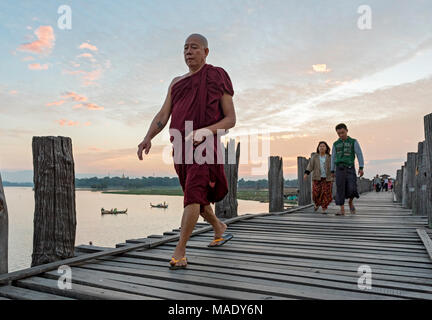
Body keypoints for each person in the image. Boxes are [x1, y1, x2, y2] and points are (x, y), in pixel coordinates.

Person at [137, 34, 236, 270]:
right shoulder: (176, 82)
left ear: (206, 51)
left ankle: (180, 251)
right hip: (180, 145)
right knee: (196, 197)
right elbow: (163, 115)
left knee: (193, 194)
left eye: (194, 47)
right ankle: (219, 227)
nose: (188, 52)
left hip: (204, 145)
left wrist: (205, 131)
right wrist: (147, 137)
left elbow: (230, 119)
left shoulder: (217, 75)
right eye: (184, 48)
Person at [331, 123, 364, 215]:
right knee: (340, 189)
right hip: (339, 168)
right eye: (339, 133)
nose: (341, 135)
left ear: (347, 130)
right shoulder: (335, 144)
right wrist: (332, 170)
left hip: (350, 167)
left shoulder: (353, 141)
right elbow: (333, 157)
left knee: (352, 187)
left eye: (342, 132)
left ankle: (350, 202)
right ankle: (342, 210)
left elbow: (359, 154)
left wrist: (361, 167)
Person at [303, 141, 333, 214]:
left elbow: (333, 166)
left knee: (326, 193)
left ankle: (324, 208)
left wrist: (334, 173)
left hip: (327, 178)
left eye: (323, 146)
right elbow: (310, 165)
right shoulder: (315, 157)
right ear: (318, 148)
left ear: (326, 148)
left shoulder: (330, 157)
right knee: (316, 193)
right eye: (320, 146)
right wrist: (306, 173)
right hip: (317, 178)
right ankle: (316, 204)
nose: (322, 147)